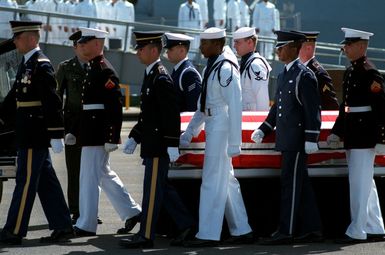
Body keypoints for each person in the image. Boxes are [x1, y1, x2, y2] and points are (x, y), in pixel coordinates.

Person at [119, 31, 196, 249]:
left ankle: (146, 234)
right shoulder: (151, 74)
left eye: (141, 49)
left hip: (159, 145)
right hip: (152, 142)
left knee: (152, 191)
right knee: (162, 188)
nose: (137, 53)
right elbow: (149, 114)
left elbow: (170, 115)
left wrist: (172, 144)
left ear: (154, 50)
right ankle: (187, 224)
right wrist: (135, 136)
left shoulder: (161, 77)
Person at [0, 21, 73, 245]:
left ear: (31, 38)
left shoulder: (41, 64)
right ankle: (62, 225)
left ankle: (14, 230)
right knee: (45, 181)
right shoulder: (27, 62)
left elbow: (52, 102)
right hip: (27, 132)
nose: (14, 41)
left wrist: (56, 134)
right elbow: (15, 96)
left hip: (34, 134)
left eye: (18, 37)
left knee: (26, 181)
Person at [180, 27, 253, 247]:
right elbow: (204, 105)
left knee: (212, 180)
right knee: (226, 181)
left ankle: (208, 234)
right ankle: (242, 229)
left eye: (205, 43)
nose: (201, 47)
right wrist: (191, 130)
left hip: (222, 126)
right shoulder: (212, 66)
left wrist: (234, 142)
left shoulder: (226, 69)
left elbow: (235, 105)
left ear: (217, 44)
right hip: (214, 123)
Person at [251, 30, 323, 245]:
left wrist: (312, 137)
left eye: (281, 47)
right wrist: (264, 128)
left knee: (289, 186)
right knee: (300, 185)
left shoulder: (304, 75)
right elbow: (277, 109)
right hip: (287, 139)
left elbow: (312, 110)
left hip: (297, 141)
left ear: (294, 48)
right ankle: (313, 228)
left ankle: (286, 230)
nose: (278, 51)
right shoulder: (284, 74)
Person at [73, 27, 141, 237]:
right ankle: (132, 211)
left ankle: (86, 223)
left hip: (97, 133)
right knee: (103, 174)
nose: (81, 46)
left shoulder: (104, 69)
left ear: (97, 44)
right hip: (91, 130)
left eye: (85, 42)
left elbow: (114, 105)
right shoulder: (93, 67)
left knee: (89, 177)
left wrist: (112, 136)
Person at [327, 28, 385, 244]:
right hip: (354, 133)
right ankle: (375, 225)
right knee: (365, 182)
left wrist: (381, 139)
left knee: (359, 183)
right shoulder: (351, 71)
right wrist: (336, 131)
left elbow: (381, 109)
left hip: (364, 135)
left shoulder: (370, 73)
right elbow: (346, 107)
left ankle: (357, 229)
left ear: (361, 46)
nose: (345, 48)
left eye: (349, 45)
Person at [295, 30, 339, 110]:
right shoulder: (297, 69)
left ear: (308, 48)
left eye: (298, 47)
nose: (295, 50)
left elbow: (331, 105)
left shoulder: (319, 74)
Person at [233, 27, 271, 111]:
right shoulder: (246, 63)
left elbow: (262, 99)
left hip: (252, 119)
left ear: (249, 42)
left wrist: (260, 122)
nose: (234, 46)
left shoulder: (256, 65)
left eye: (237, 42)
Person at [163, 32, 202, 112]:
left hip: (184, 123)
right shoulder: (178, 70)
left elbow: (194, 108)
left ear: (182, 50)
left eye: (170, 49)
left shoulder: (188, 74)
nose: (167, 52)